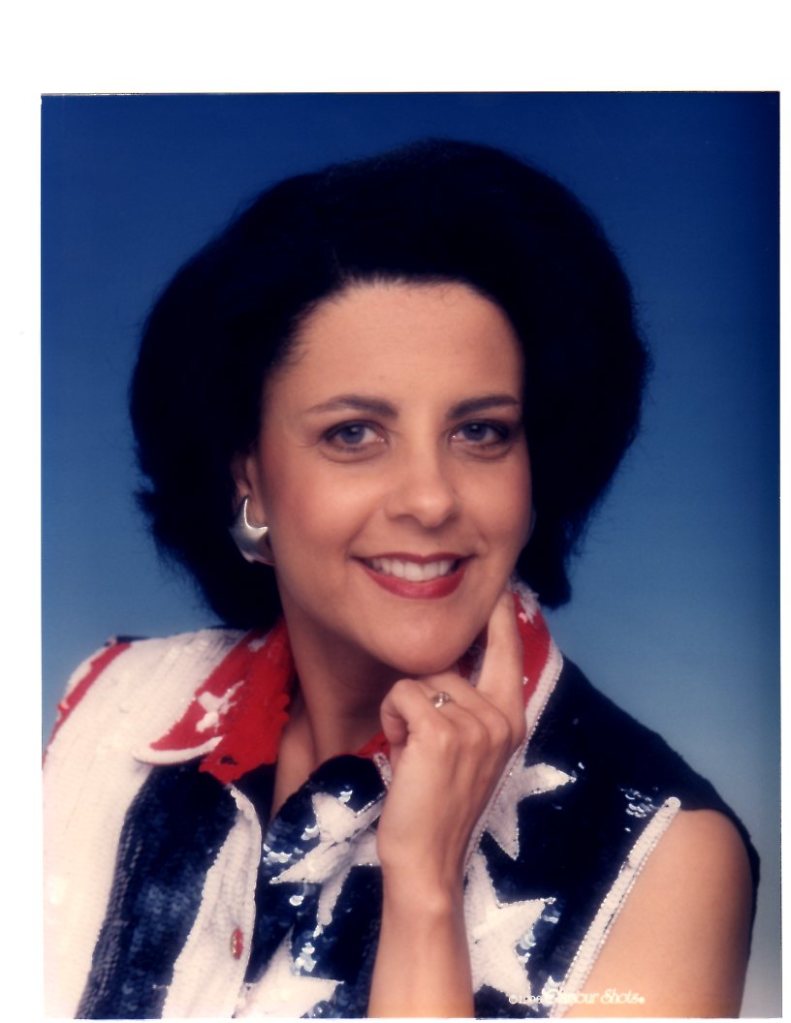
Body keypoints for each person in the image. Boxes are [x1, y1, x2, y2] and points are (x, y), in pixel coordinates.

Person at [43, 138, 758, 1019]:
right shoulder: (114, 709)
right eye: (353, 433)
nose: (429, 498)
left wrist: (421, 893)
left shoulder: (663, 855)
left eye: (481, 431)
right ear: (250, 475)